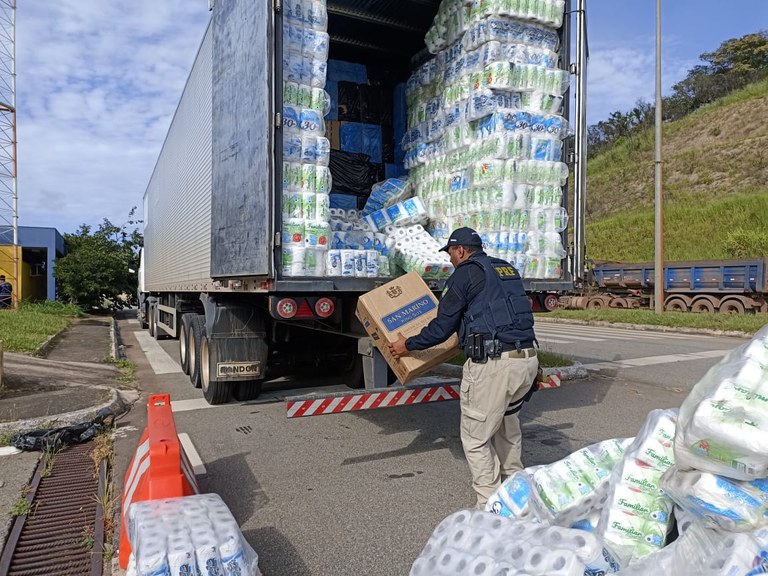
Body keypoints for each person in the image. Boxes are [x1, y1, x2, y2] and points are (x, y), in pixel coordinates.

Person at [388, 227, 539, 510]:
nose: (451, 261)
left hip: (494, 367)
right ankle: (519, 498)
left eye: (451, 254)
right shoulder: (505, 269)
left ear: (460, 250)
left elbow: (441, 328)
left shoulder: (465, 273)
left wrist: (406, 345)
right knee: (507, 429)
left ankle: (491, 509)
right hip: (527, 361)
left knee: (475, 439)